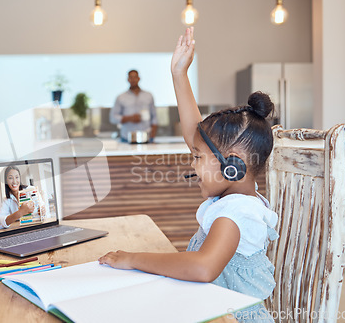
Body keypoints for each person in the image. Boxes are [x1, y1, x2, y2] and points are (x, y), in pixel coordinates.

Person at [99, 28, 278, 322]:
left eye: (197, 158)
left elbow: (202, 268)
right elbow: (196, 134)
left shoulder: (237, 213)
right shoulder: (239, 193)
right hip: (213, 309)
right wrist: (179, 74)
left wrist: (132, 259)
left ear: (232, 166)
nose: (193, 166)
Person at [110, 69, 158, 142]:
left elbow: (154, 117)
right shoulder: (121, 97)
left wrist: (153, 135)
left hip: (147, 137)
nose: (133, 80)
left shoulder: (148, 96)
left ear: (139, 78)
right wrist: (130, 118)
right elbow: (113, 118)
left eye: (135, 77)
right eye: (131, 77)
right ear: (128, 79)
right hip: (126, 138)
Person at [0, 165, 35, 230]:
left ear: (20, 178)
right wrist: (20, 212)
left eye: (17, 177)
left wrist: (42, 211)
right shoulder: (6, 200)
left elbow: (42, 210)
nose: (14, 181)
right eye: (10, 178)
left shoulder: (31, 190)